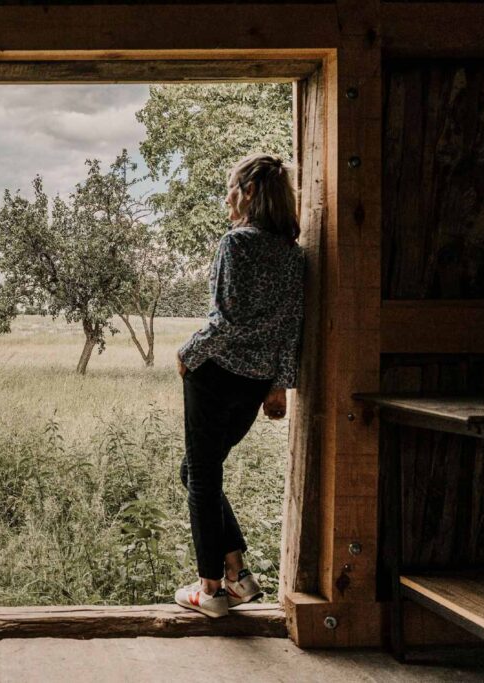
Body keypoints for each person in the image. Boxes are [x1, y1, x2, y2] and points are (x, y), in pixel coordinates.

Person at [173, 153, 306, 619]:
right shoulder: (293, 255)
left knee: (202, 479)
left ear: (248, 192)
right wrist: (280, 386)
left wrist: (187, 354)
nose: (227, 197)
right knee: (196, 472)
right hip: (253, 385)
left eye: (231, 188)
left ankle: (210, 591)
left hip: (214, 377)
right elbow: (292, 328)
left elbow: (223, 321)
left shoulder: (238, 244)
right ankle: (237, 574)